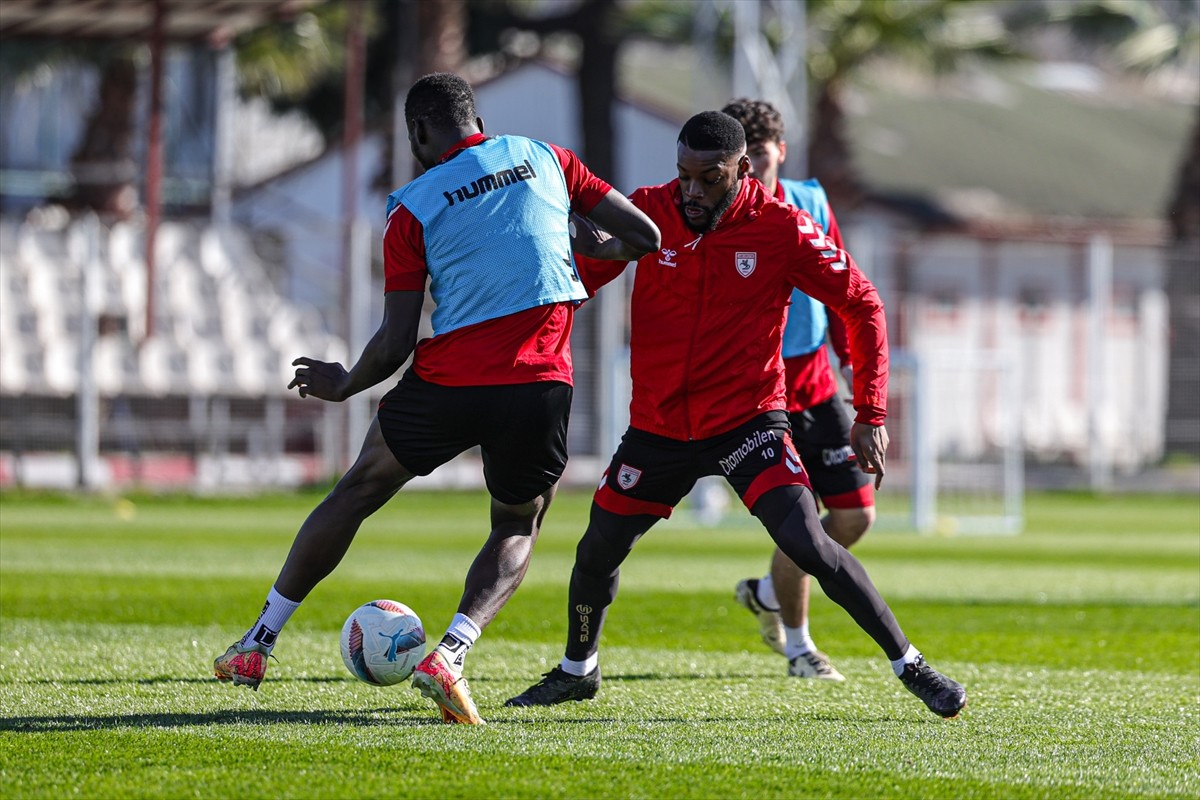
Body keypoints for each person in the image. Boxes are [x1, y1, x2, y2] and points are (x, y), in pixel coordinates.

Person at [213, 72, 660, 726]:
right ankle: (449, 654)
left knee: (357, 491)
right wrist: (586, 245)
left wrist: (342, 383)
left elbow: (396, 343)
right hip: (537, 386)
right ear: (474, 117)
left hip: (449, 383)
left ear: (419, 131)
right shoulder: (547, 159)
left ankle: (257, 645)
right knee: (516, 523)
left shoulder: (413, 205)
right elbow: (644, 236)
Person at [505, 111, 967, 718]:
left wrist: (871, 410)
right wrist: (576, 257)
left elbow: (862, 302)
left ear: (742, 169)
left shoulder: (783, 229)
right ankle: (577, 670)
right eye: (683, 176)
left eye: (708, 178)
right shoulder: (649, 210)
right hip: (658, 430)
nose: (690, 192)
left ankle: (912, 666)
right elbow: (580, 280)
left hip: (748, 424)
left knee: (810, 544)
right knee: (596, 552)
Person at [722, 97, 876, 682]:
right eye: (743, 159)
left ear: (779, 152)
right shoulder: (719, 211)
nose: (751, 169)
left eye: (759, 156)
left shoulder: (810, 201)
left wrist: (855, 374)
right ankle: (798, 647)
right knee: (800, 520)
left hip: (814, 383)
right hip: (758, 395)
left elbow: (845, 292)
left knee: (855, 517)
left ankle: (768, 590)